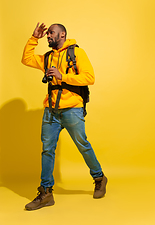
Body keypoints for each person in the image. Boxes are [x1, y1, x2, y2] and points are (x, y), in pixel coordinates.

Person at [21, 23, 107, 211]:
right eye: (47, 34)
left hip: (72, 109)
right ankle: (46, 193)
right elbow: (26, 59)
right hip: (51, 110)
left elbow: (89, 77)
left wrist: (63, 76)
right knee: (47, 150)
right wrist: (33, 38)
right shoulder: (48, 57)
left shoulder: (77, 53)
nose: (48, 36)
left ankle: (99, 178)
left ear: (62, 34)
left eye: (51, 33)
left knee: (82, 145)